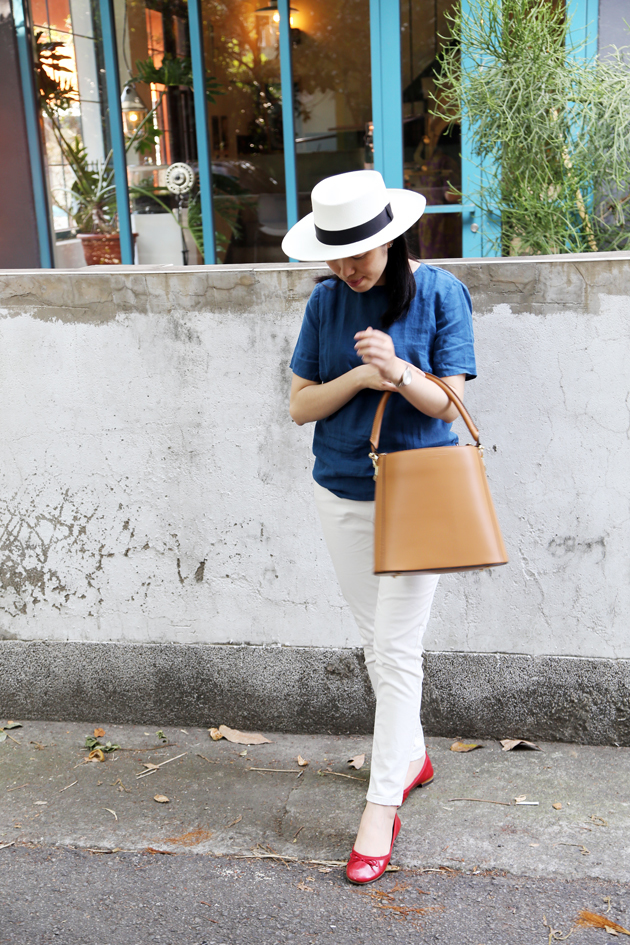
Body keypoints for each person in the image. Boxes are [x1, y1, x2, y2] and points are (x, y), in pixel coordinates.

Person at [282, 170, 476, 885]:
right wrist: (359, 379)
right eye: (333, 255)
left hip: (419, 492)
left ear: (390, 239)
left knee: (395, 650)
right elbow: (301, 406)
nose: (346, 268)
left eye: (357, 253)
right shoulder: (326, 301)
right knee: (377, 644)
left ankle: (381, 805)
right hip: (340, 490)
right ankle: (412, 756)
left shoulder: (442, 293)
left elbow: (449, 403)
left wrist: (397, 370)